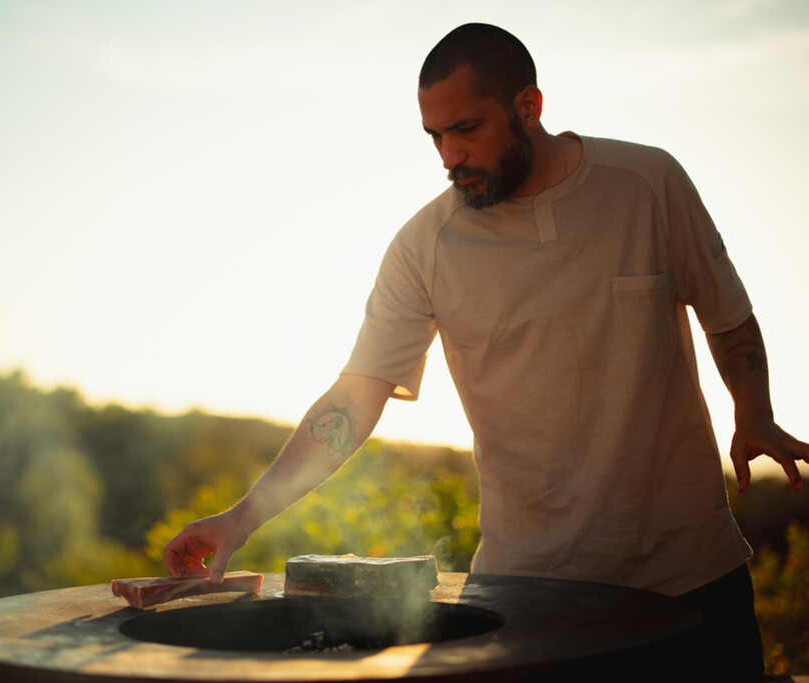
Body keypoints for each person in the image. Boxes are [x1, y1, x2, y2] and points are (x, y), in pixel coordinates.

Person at [163, 23, 808, 679]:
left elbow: (728, 316)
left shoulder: (648, 182)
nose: (448, 155)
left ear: (529, 107)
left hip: (691, 579)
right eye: (435, 136)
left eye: (466, 130)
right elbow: (353, 400)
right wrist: (241, 518)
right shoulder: (423, 247)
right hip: (526, 595)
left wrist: (753, 410)